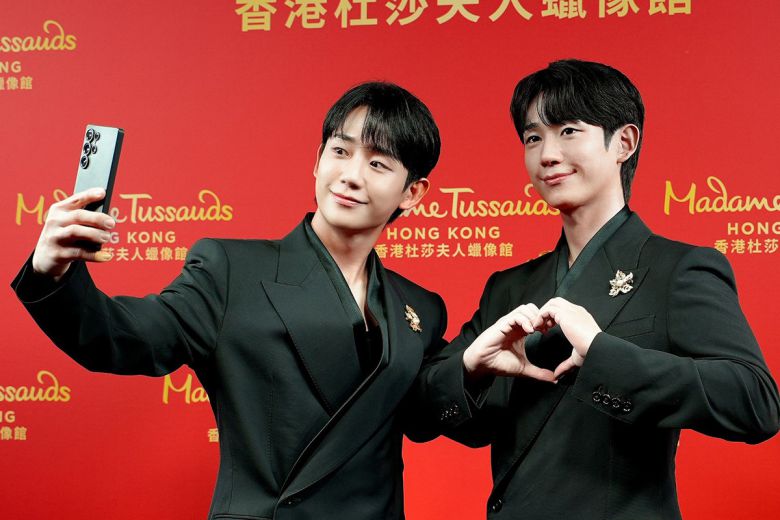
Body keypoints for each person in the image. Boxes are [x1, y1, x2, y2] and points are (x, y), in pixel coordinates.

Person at [12, 82, 447, 519]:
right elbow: (125, 337)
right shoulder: (231, 270)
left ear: (412, 193)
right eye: (340, 151)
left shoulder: (419, 310)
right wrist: (53, 270)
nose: (351, 175)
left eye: (377, 163)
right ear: (317, 161)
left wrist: (476, 364)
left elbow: (434, 412)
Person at [415, 60, 780, 519]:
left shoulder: (677, 268)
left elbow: (755, 403)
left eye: (568, 131)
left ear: (623, 143)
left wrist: (604, 354)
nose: (547, 154)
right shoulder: (509, 287)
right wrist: (471, 369)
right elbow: (424, 414)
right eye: (533, 138)